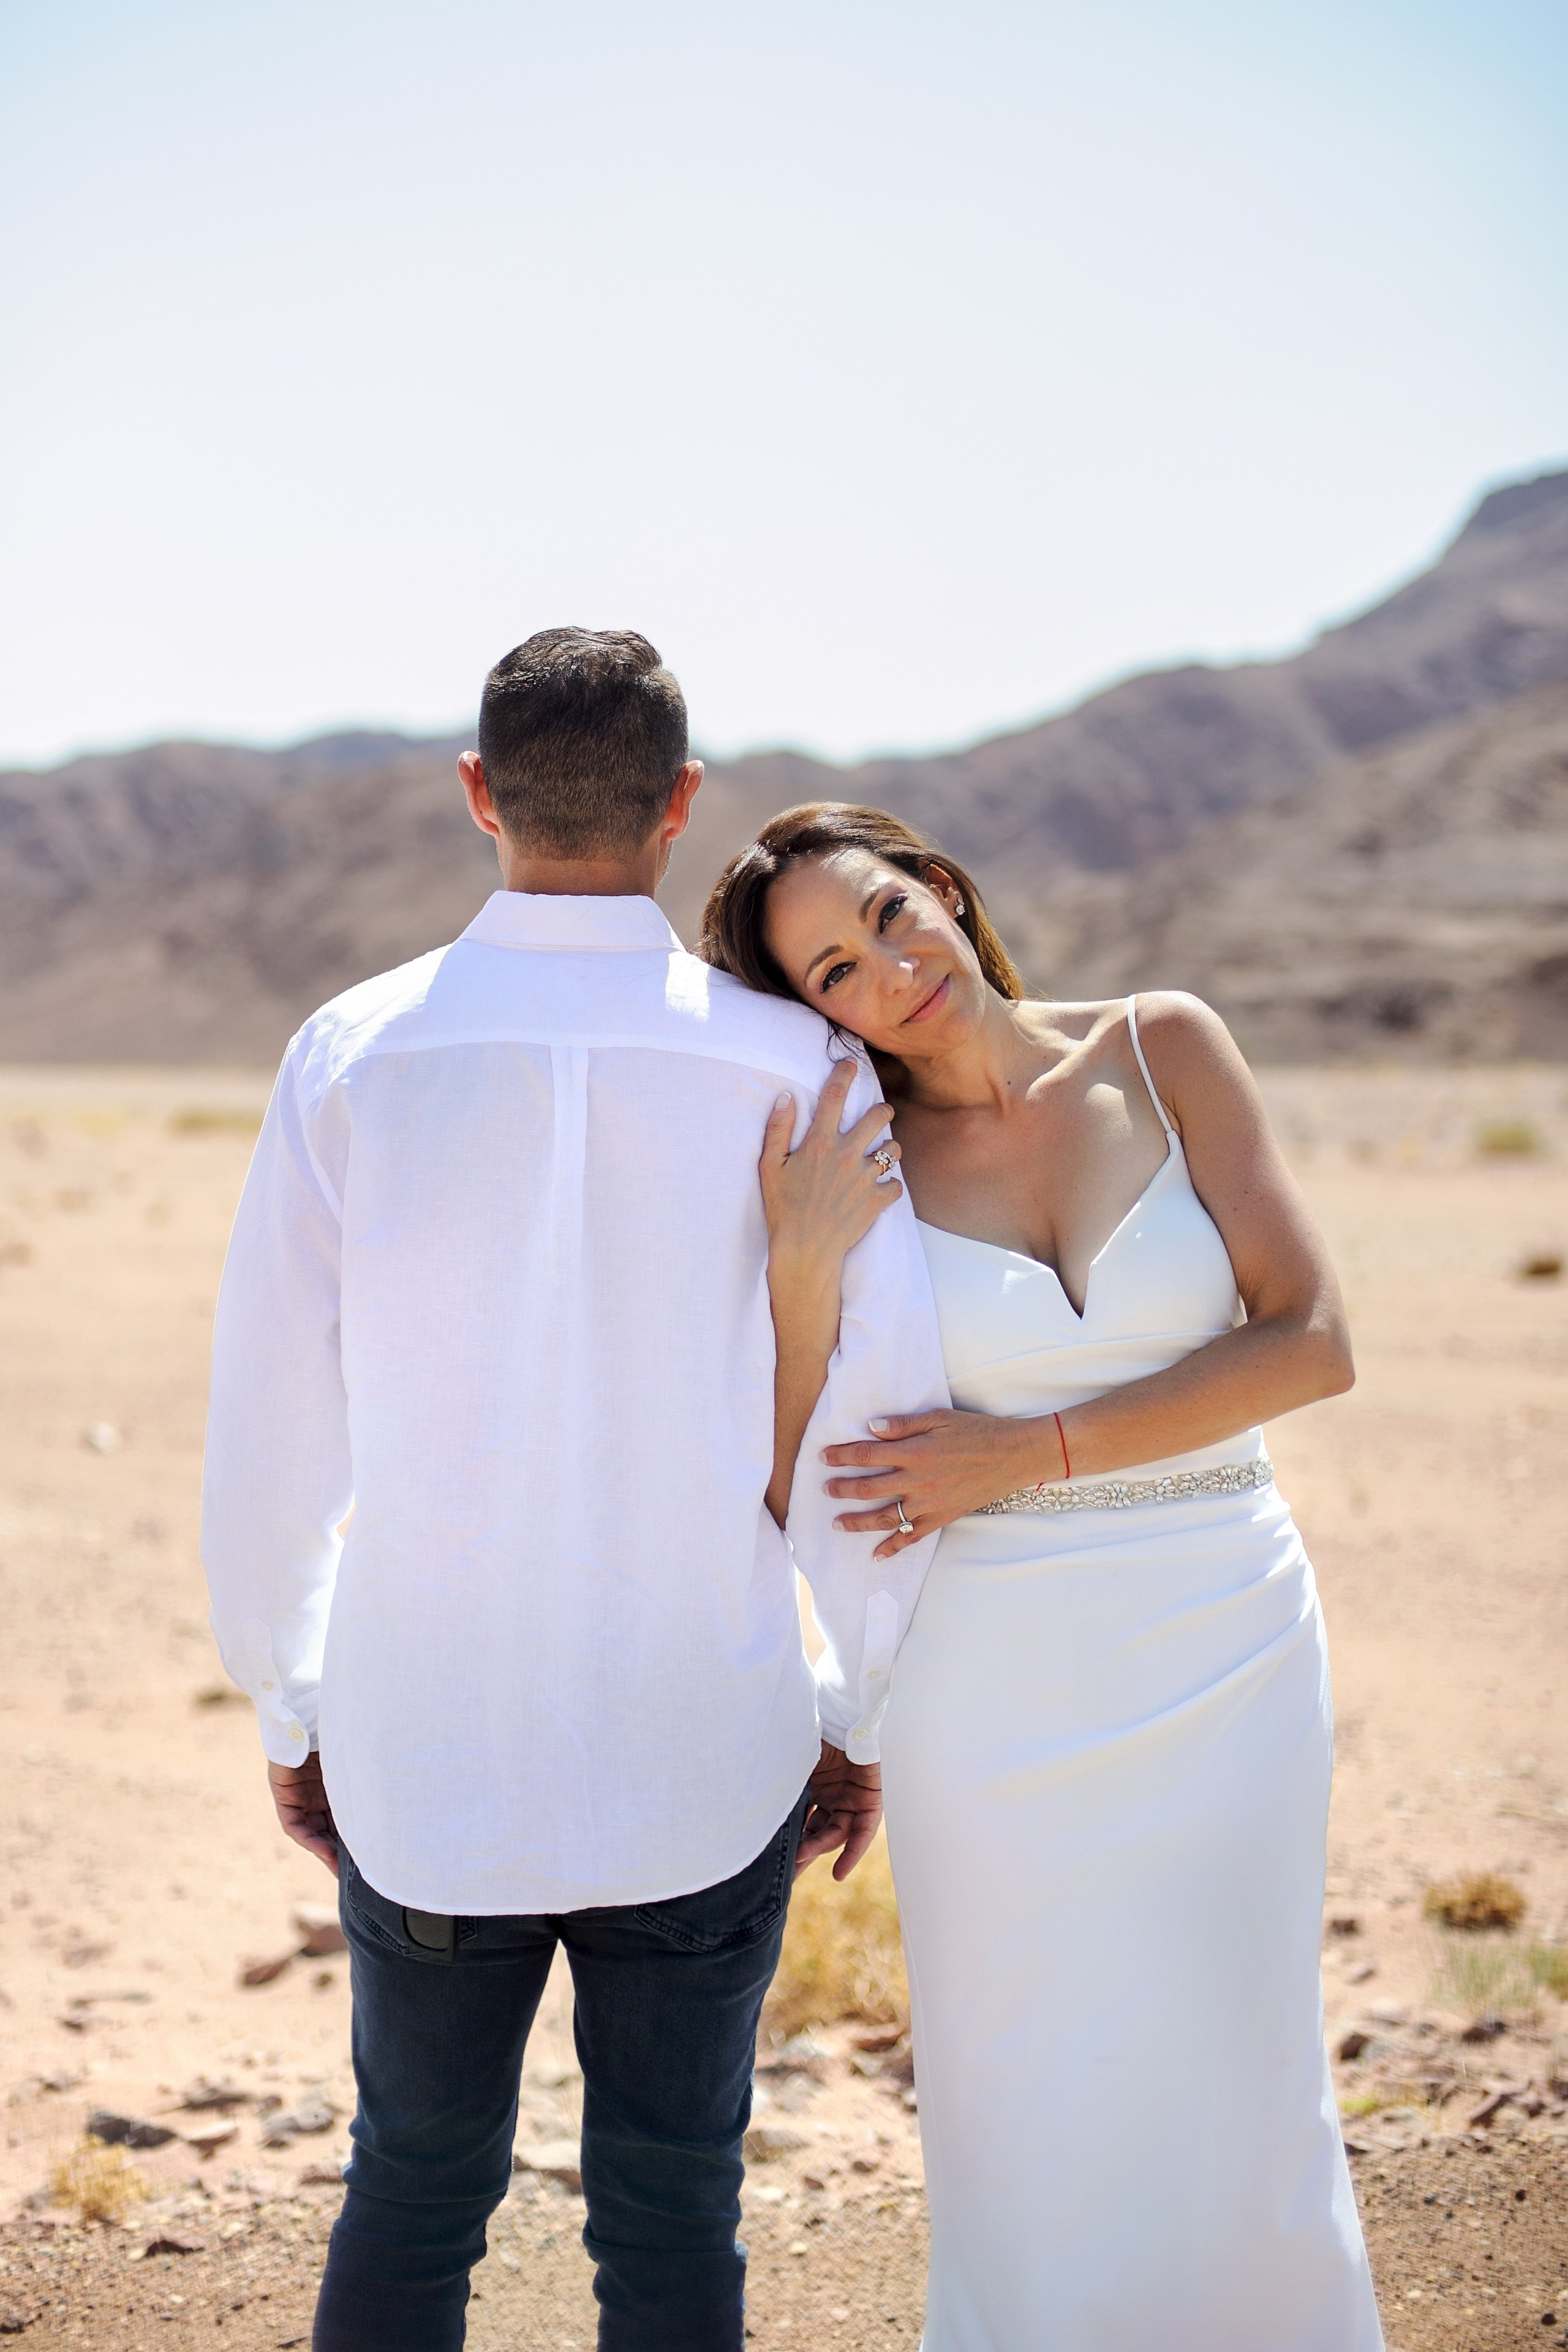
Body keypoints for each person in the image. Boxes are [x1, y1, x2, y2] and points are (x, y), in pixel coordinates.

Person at [200, 638, 947, 2352]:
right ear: (684, 807)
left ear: (478, 795)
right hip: (710, 1741)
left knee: (408, 2191)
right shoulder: (802, 1073)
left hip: (424, 1745)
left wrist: (290, 1700)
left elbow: (272, 1424)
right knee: (679, 2207)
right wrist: (858, 1701)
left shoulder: (350, 1055)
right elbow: (878, 1422)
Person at [700, 803, 1385, 2352]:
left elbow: (1311, 1341)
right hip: (991, 1677)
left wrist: (1028, 1453)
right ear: (811, 1016)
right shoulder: (851, 1164)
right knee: (1024, 2081)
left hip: (1228, 1629)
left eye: (884, 915)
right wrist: (802, 1272)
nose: (884, 971)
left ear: (939, 886)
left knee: (1238, 2053)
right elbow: (784, 1459)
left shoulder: (1163, 1049)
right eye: (829, 972)